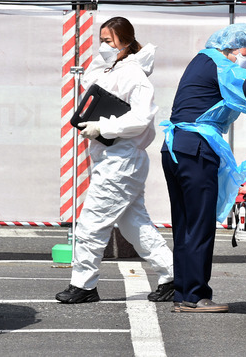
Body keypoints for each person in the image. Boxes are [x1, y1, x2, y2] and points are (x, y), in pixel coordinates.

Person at [56, 17, 174, 304]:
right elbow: (91, 82)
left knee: (91, 223)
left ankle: (84, 285)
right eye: (101, 41)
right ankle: (173, 275)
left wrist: (104, 128)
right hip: (115, 158)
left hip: (121, 158)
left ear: (125, 42)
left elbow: (141, 117)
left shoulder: (134, 74)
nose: (103, 47)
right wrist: (104, 57)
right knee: (135, 224)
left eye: (108, 41)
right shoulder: (116, 68)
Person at [160, 23, 246, 313]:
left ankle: (183, 293)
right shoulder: (222, 65)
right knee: (200, 224)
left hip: (175, 146)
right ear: (231, 46)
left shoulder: (200, 60)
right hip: (196, 148)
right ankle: (195, 296)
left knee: (184, 225)